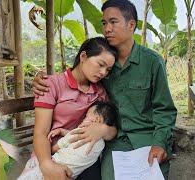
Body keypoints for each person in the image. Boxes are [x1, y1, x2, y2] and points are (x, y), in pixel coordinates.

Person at [32, 0, 177, 180]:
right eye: (104, 23)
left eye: (113, 22)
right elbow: (75, 74)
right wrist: (40, 80)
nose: (107, 28)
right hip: (116, 140)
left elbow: (165, 109)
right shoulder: (103, 67)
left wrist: (160, 143)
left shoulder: (152, 62)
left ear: (131, 25)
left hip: (147, 137)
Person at [27, 37, 118, 180]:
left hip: (82, 155)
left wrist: (103, 129)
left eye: (108, 70)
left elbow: (112, 129)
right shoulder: (51, 84)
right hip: (52, 152)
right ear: (83, 56)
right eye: (100, 64)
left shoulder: (100, 93)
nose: (103, 72)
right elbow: (41, 132)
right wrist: (47, 164)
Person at [18, 101, 118, 180]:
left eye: (86, 116)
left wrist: (51, 150)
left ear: (97, 120)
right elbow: (74, 137)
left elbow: (68, 139)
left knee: (32, 166)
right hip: (71, 174)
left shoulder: (82, 131)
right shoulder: (101, 143)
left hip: (56, 165)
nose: (83, 119)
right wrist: (62, 131)